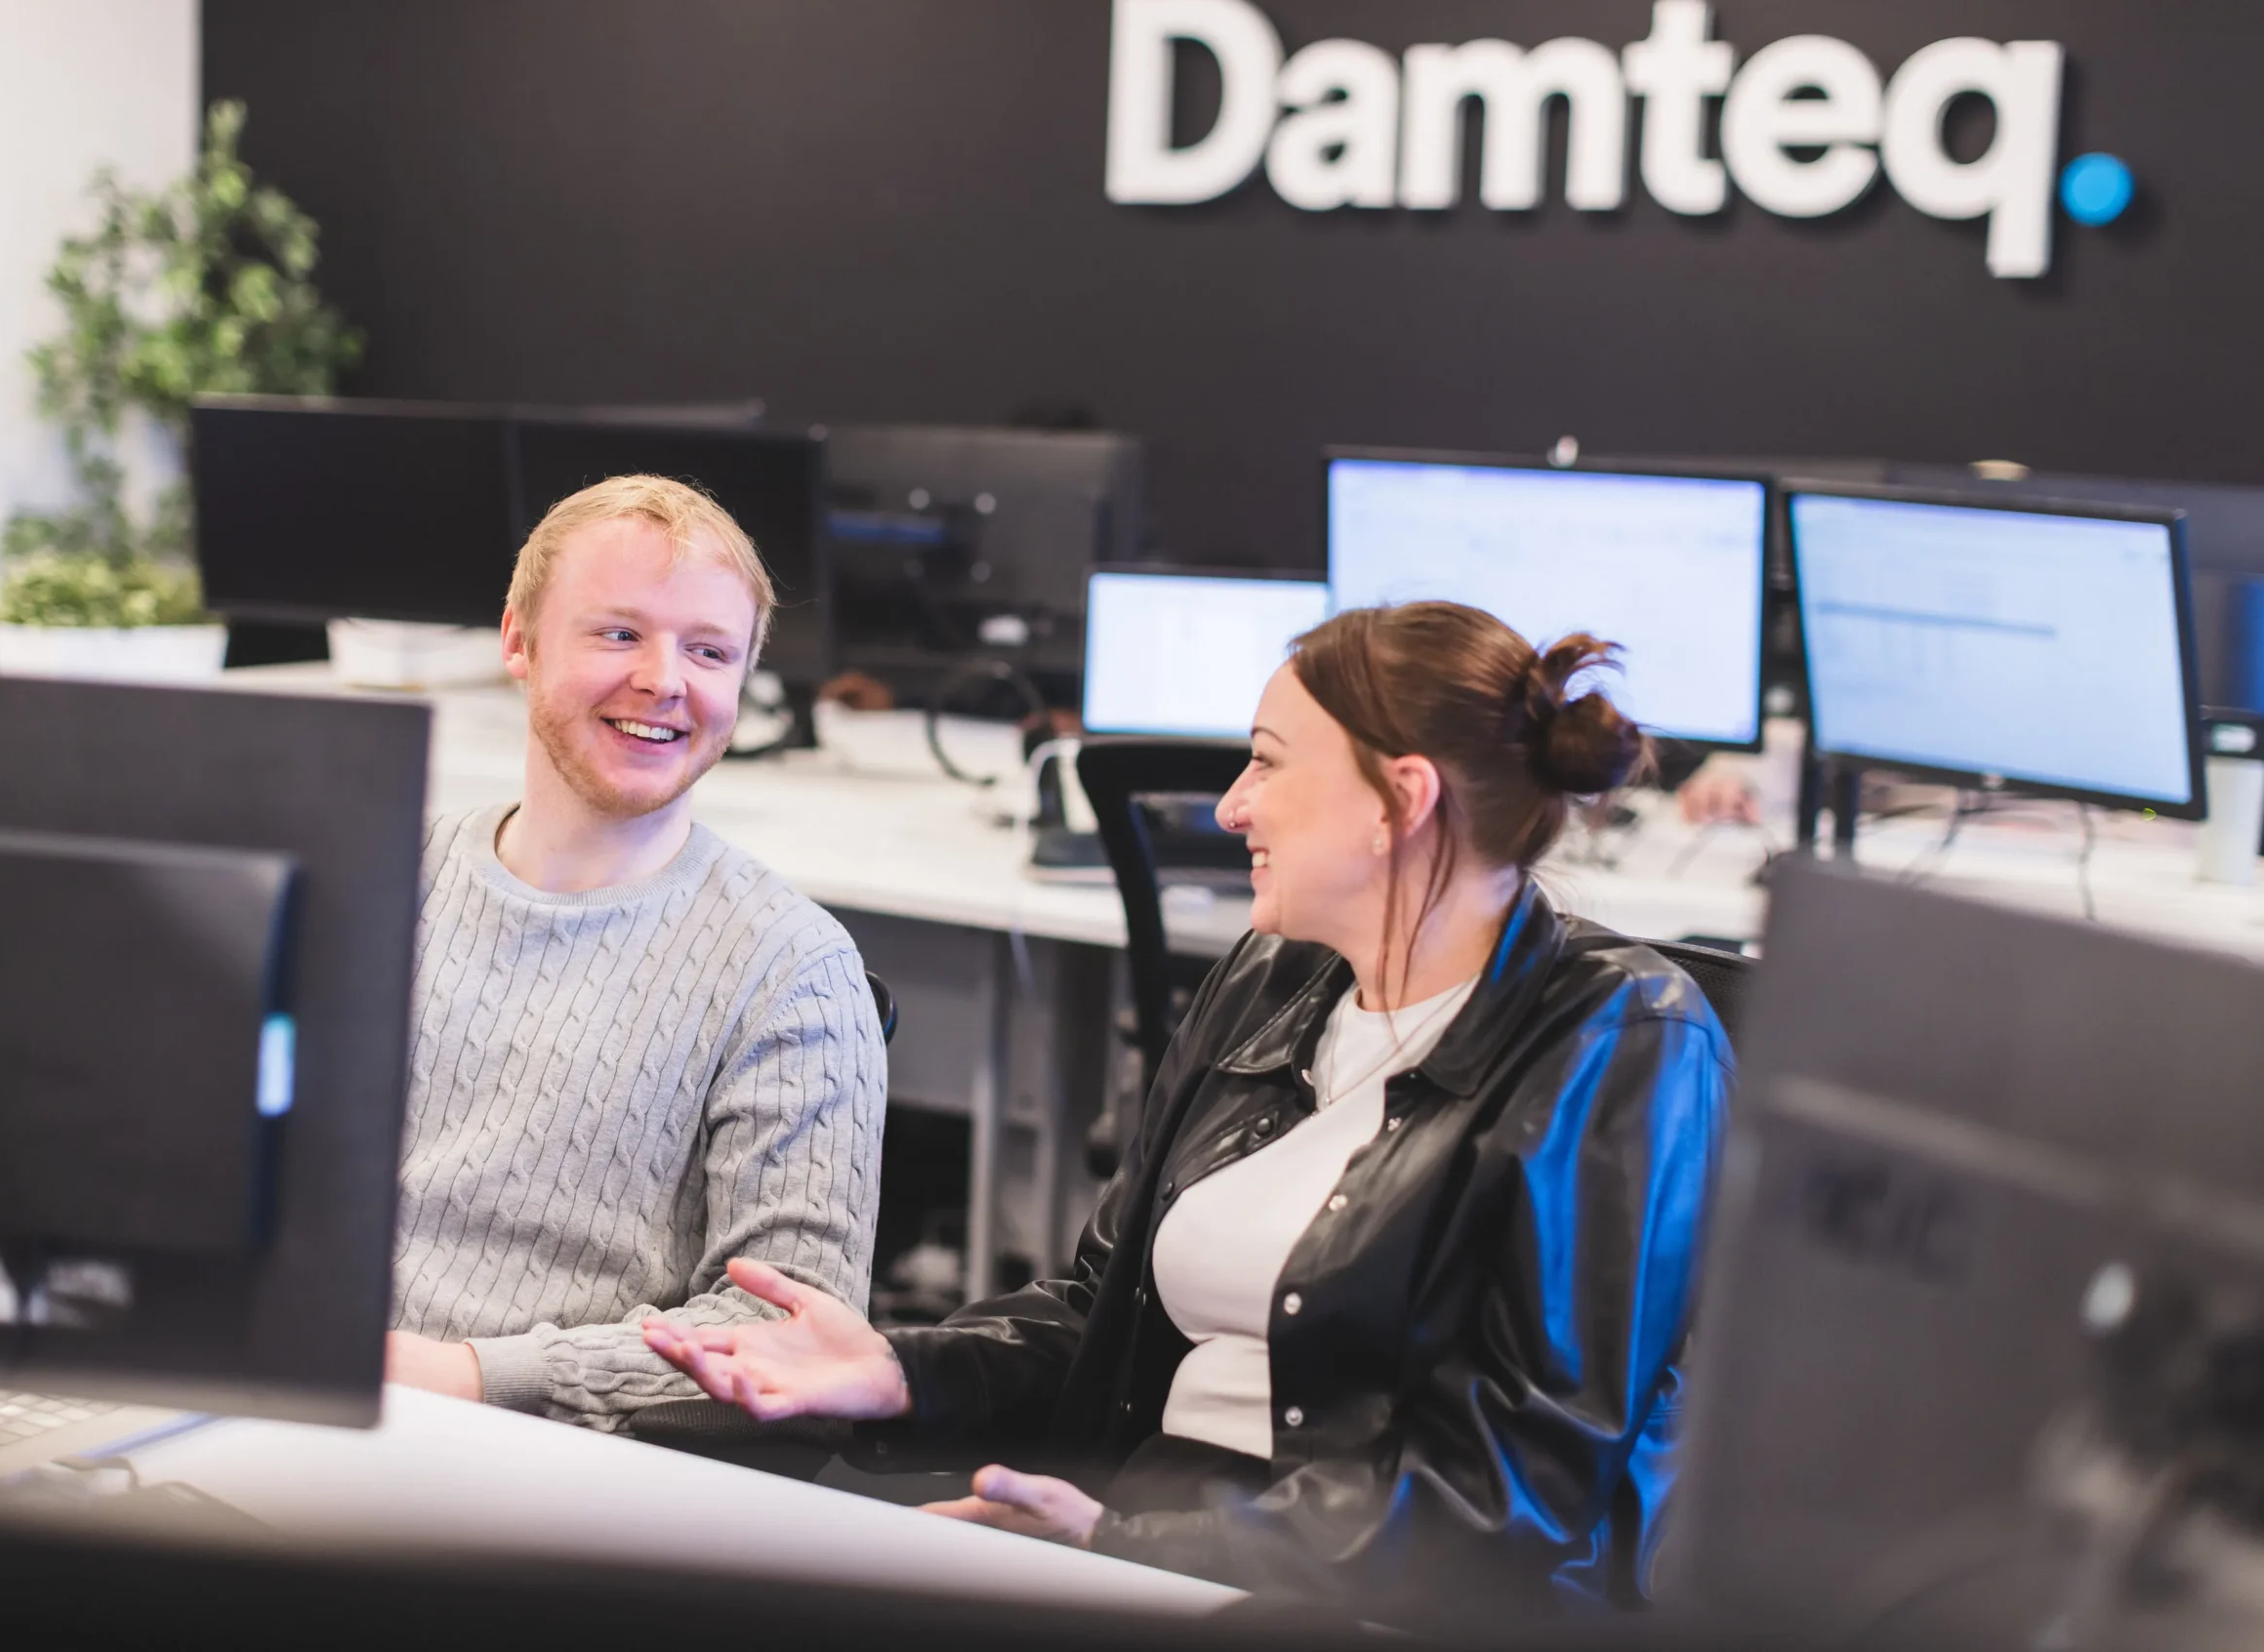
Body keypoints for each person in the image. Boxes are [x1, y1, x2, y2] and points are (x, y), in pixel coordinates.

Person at [645, 601, 1729, 1616]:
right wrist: (897, 1375)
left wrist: (1138, 1547)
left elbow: (1509, 1498)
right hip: (1145, 1541)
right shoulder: (1272, 974)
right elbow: (1097, 1316)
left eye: (1265, 761)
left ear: (1401, 799)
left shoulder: (1623, 1042)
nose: (1228, 806)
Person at [385, 475, 887, 1429]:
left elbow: (785, 1336)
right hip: (298, 1407)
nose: (664, 680)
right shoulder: (384, 874)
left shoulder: (790, 971)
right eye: (618, 633)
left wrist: (461, 1375)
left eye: (708, 650)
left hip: (555, 1468)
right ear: (518, 641)